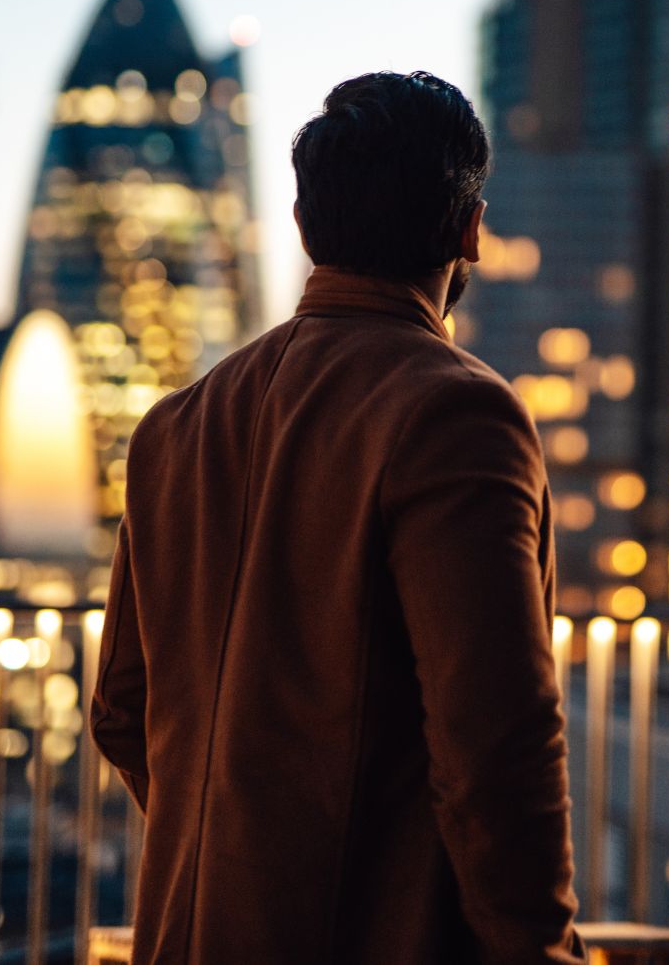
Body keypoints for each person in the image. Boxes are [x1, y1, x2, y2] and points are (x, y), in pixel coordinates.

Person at [91, 71, 586, 964]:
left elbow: (123, 710)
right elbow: (496, 737)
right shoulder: (455, 413)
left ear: (304, 227)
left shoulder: (176, 427)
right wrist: (538, 951)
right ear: (470, 227)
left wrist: (237, 846)